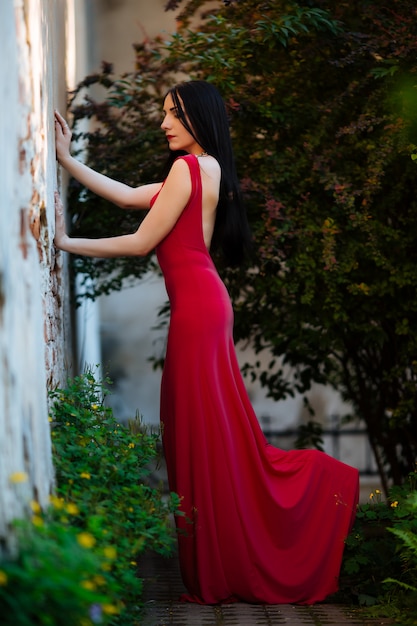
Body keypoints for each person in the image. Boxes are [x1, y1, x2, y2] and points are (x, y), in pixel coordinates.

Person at [54, 80, 359, 605]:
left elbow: (141, 241)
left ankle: (267, 528)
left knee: (200, 434)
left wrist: (65, 242)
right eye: (164, 114)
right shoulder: (204, 169)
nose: (164, 123)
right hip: (205, 306)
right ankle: (221, 557)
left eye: (173, 114)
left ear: (199, 116)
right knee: (206, 434)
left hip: (198, 311)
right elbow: (129, 196)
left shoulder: (189, 169)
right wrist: (65, 159)